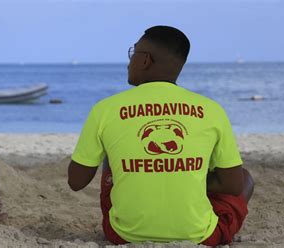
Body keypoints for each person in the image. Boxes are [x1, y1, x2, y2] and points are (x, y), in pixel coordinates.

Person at [67, 26, 254, 246]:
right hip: (199, 236)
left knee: (111, 150)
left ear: (145, 60)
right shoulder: (212, 110)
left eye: (132, 53)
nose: (129, 62)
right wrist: (182, 174)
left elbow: (76, 182)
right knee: (245, 177)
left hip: (124, 234)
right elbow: (233, 185)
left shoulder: (105, 109)